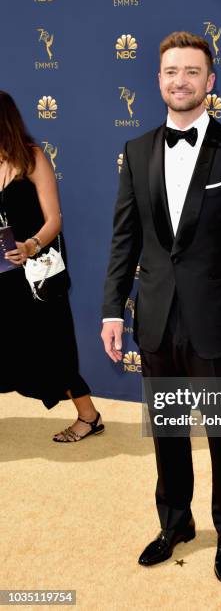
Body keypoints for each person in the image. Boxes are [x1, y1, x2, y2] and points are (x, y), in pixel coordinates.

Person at [101, 31, 221, 582]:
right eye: (171, 71)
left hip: (217, 322)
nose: (181, 80)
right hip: (154, 318)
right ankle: (175, 522)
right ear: (158, 80)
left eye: (192, 72)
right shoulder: (136, 150)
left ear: (209, 82)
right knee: (168, 430)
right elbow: (123, 239)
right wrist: (112, 311)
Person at [0, 90, 104, 442]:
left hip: (37, 274)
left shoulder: (32, 158)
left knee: (54, 345)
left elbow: (53, 220)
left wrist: (30, 246)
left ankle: (88, 417)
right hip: (2, 273)